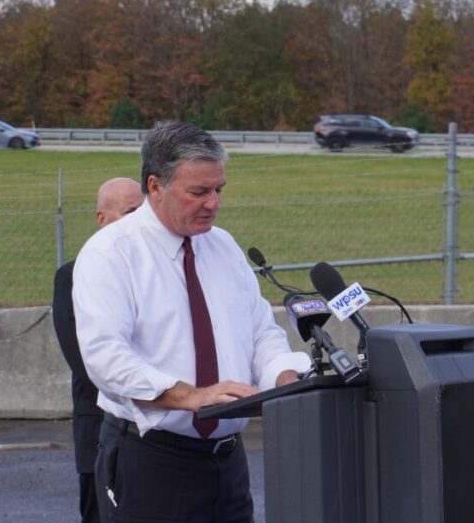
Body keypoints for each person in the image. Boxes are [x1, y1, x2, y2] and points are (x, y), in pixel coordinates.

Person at [73, 121, 311, 523]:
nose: (213, 203)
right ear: (155, 187)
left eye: (219, 190)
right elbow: (105, 358)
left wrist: (286, 379)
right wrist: (189, 396)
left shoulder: (223, 245)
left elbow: (260, 333)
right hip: (151, 462)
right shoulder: (110, 253)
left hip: (228, 463)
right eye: (198, 192)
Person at [52, 177, 145, 523]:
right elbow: (84, 360)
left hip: (156, 437)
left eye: (144, 211)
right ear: (102, 219)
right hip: (101, 430)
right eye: (130, 212)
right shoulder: (72, 276)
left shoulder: (158, 272)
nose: (139, 221)